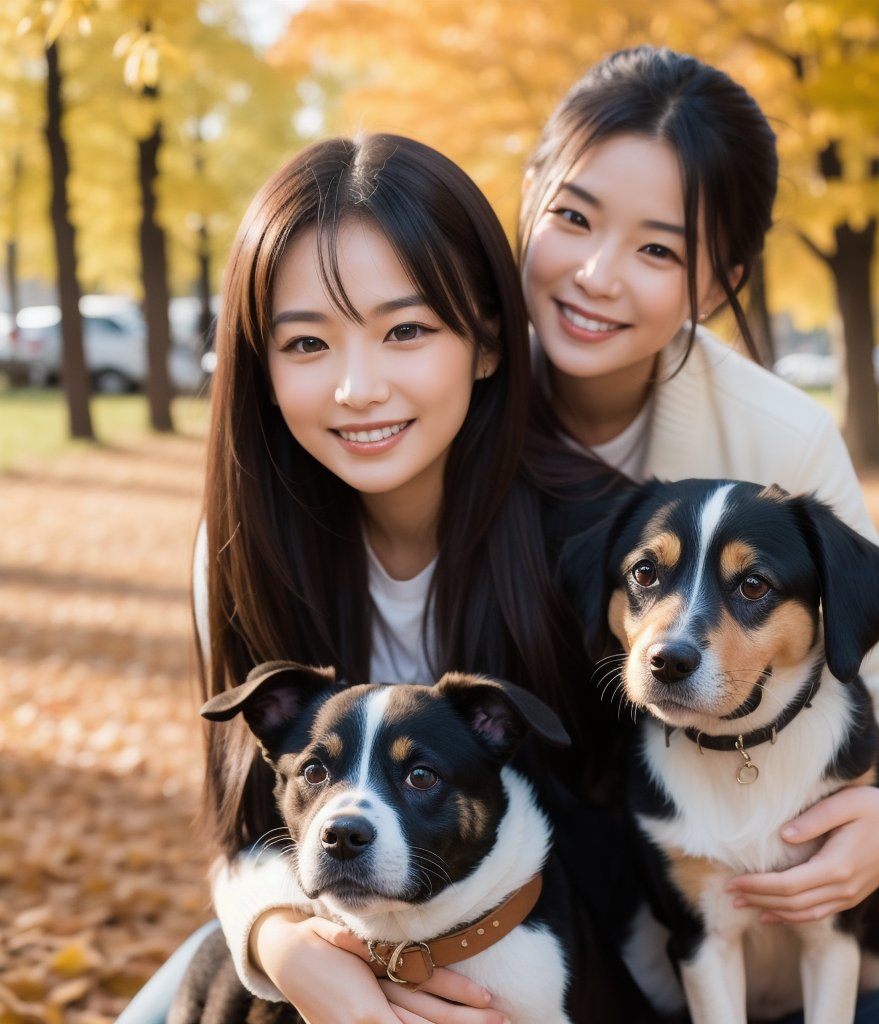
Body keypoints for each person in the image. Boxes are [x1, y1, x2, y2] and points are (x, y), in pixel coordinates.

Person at [517, 44, 879, 1023]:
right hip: (544, 907)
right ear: (529, 199)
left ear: (719, 281)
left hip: (774, 918)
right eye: (572, 217)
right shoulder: (442, 390)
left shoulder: (778, 437)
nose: (596, 274)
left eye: (657, 249)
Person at [120, 133, 642, 1024]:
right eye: (307, 343)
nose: (358, 387)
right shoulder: (246, 547)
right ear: (262, 366)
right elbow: (249, 824)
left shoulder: (595, 544)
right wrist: (282, 946)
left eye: (405, 330)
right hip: (321, 932)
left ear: (486, 342)